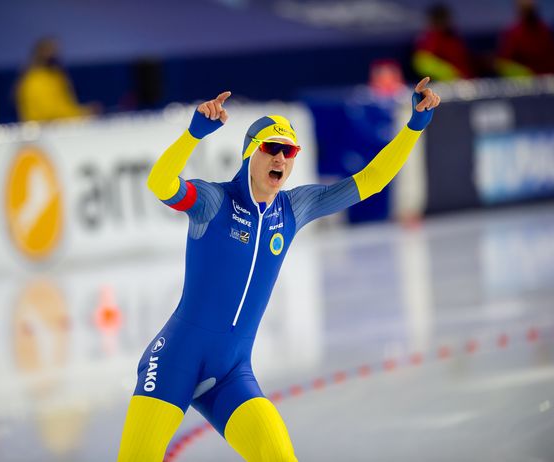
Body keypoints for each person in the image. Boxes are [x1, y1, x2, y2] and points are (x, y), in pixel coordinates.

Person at [117, 78, 441, 461]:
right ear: (248, 154)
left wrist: (415, 125)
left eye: (289, 152)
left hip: (230, 373)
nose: (281, 159)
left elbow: (370, 181)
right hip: (174, 361)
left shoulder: (293, 209)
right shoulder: (213, 201)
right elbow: (160, 183)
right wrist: (193, 134)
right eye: (271, 149)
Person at [16, 37, 100, 122]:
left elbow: (65, 106)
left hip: (63, 125)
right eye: (49, 52)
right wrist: (83, 113)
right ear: (40, 54)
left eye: (55, 52)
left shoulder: (57, 76)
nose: (54, 55)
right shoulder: (34, 80)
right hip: (44, 130)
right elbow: (50, 112)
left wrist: (83, 112)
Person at [495, 0, 554, 77]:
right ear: (519, 10)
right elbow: (504, 65)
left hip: (547, 81)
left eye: (531, 7)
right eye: (525, 7)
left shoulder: (545, 31)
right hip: (523, 85)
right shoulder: (512, 34)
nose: (529, 8)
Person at [412, 4, 474, 81]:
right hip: (447, 85)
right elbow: (422, 63)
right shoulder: (430, 38)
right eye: (440, 18)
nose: (445, 21)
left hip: (467, 81)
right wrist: (452, 75)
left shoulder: (453, 36)